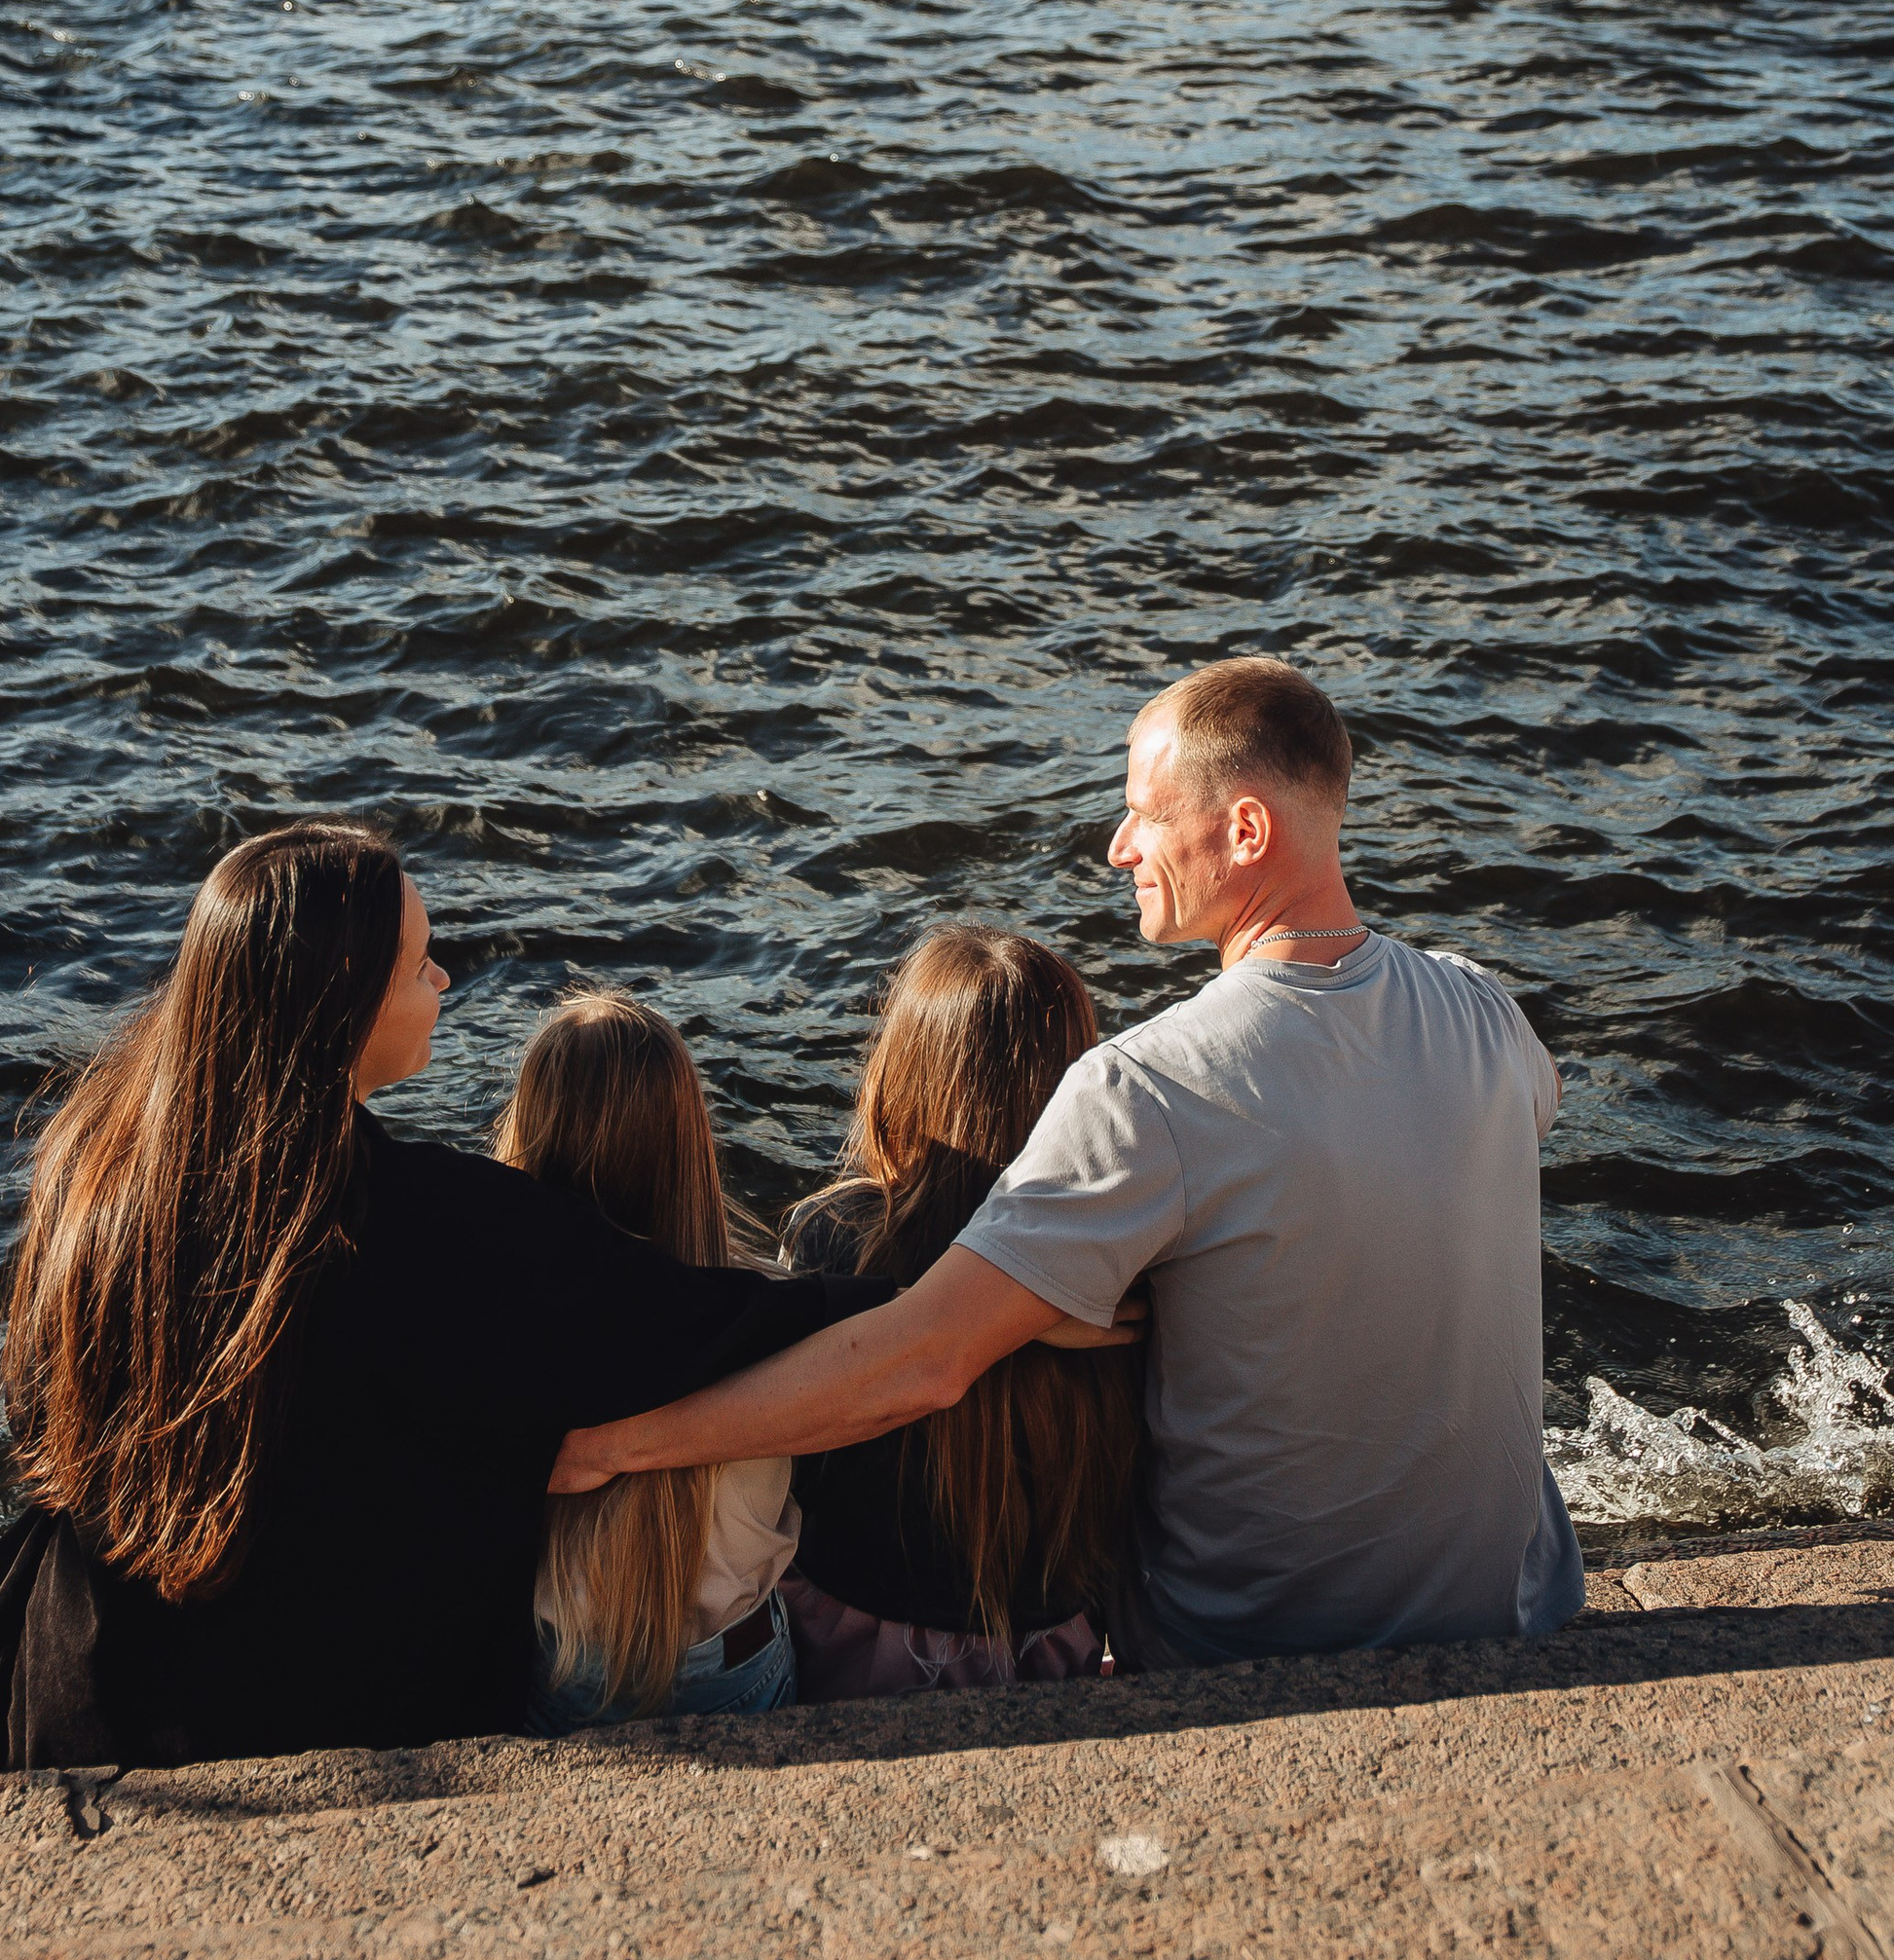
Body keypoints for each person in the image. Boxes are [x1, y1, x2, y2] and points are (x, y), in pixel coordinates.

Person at [551, 658, 1582, 1664]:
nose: (1118, 846)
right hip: (1514, 1610)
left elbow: (922, 1363)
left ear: (1246, 828)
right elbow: (1475, 1129)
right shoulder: (1483, 1011)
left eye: (1142, 812)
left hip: (1257, 1647)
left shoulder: (1154, 1084)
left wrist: (614, 1447)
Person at [0, 821, 890, 1779]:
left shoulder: (94, 1162)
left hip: (73, 1685)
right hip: (301, 1728)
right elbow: (733, 1329)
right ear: (348, 999)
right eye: (420, 962)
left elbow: (43, 1409)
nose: (444, 979)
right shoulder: (437, 1230)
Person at [778, 926, 1138, 1696]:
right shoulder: (1116, 1263)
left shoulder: (837, 1237)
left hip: (851, 1628)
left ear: (903, 1069)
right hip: (1051, 1638)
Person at [491, 991, 802, 1729]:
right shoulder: (776, 1309)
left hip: (567, 1665)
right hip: (738, 1663)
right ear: (688, 1133)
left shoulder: (490, 1315)